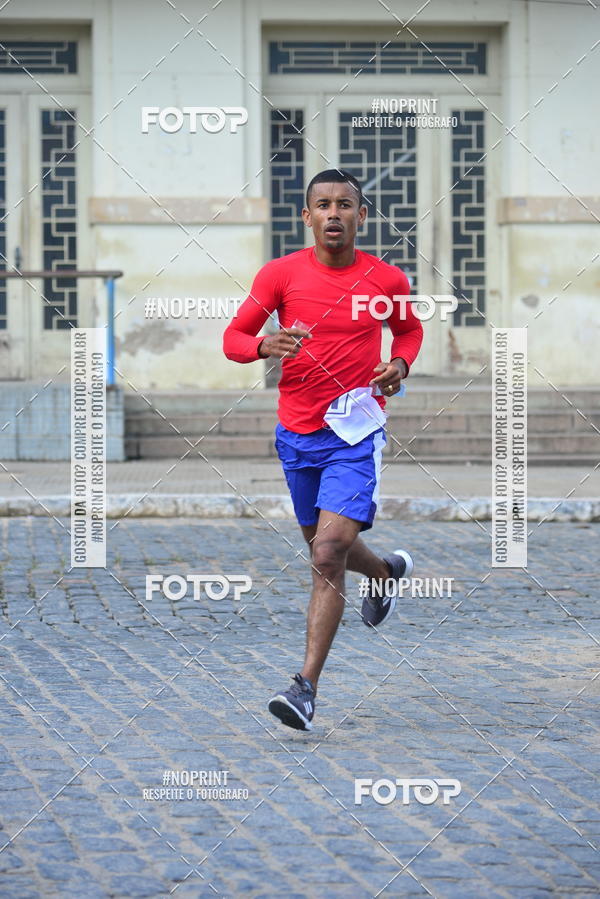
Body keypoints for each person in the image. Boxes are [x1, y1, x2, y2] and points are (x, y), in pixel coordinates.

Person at [223, 169, 423, 731]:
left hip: (356, 434)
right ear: (306, 216)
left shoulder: (387, 280)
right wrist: (263, 343)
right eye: (323, 205)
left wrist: (400, 364)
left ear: (362, 216)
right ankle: (384, 572)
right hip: (297, 434)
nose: (334, 214)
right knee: (323, 547)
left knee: (327, 554)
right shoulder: (280, 275)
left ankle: (304, 688)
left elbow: (409, 332)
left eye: (345, 205)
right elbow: (233, 339)